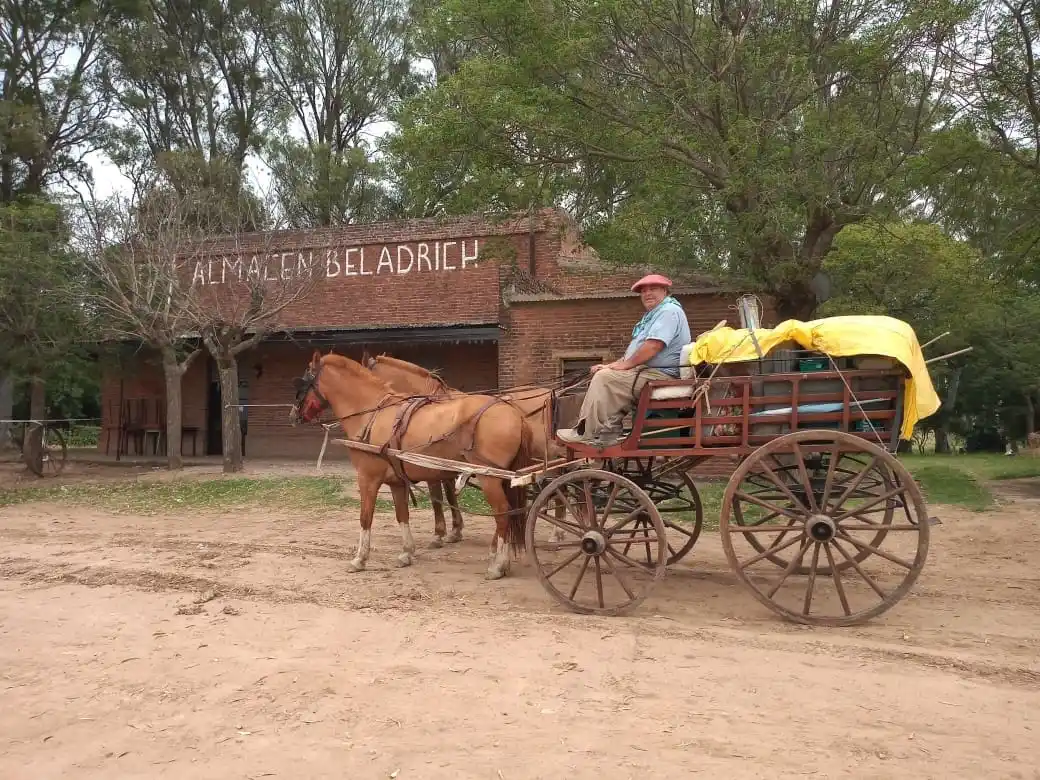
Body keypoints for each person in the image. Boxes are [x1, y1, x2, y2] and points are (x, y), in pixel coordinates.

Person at [556, 273, 691, 445]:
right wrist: (612, 365)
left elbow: (653, 346)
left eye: (653, 289)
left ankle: (588, 432)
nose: (647, 293)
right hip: (648, 372)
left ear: (665, 291)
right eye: (643, 291)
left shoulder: (669, 311)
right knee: (605, 373)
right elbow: (636, 351)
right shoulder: (655, 315)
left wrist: (624, 366)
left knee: (604, 379)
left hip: (660, 375)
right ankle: (609, 428)